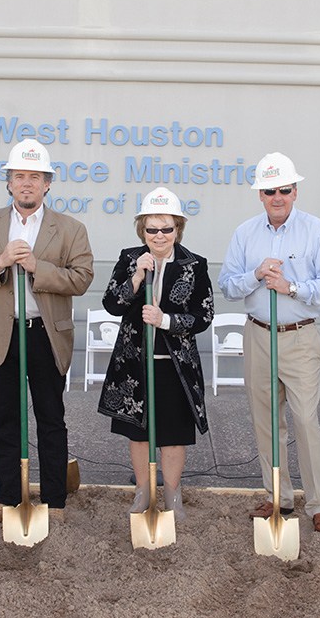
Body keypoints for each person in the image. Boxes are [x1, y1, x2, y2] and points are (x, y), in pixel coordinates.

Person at [0, 138, 93, 525]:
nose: (27, 184)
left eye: (35, 177)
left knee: (51, 418)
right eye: (20, 177)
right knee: (6, 419)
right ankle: (7, 497)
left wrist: (37, 267)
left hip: (45, 335)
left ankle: (53, 500)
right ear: (9, 183)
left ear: (48, 183)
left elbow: (82, 278)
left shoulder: (70, 229)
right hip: (0, 335)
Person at [219, 152, 320, 534]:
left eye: (285, 189)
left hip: (299, 336)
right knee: (266, 420)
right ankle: (279, 495)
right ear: (260, 194)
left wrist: (291, 287)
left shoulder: (316, 230)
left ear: (295, 191)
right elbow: (227, 284)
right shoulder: (245, 233)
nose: (278, 196)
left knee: (305, 420)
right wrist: (255, 275)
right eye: (270, 190)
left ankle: (319, 502)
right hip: (257, 334)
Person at [98, 187, 214, 521]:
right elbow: (111, 304)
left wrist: (165, 321)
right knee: (138, 430)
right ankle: (144, 491)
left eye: (167, 228)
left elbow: (203, 316)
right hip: (135, 363)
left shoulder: (194, 265)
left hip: (174, 366)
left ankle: (173, 494)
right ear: (142, 231)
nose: (159, 235)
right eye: (152, 229)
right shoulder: (129, 258)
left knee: (174, 434)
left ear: (178, 229)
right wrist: (136, 277)